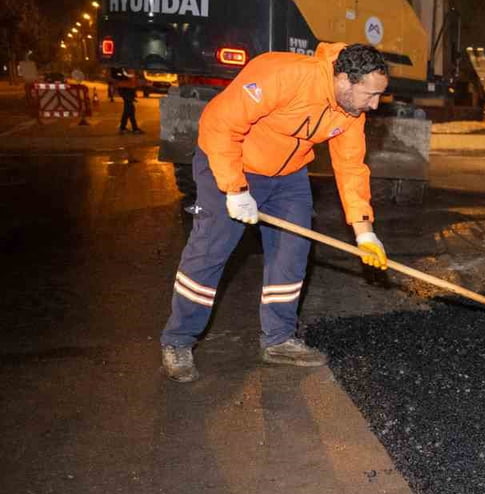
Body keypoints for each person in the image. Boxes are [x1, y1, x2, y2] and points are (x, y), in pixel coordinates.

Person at [158, 43, 391, 383]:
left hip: (288, 176)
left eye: (379, 95)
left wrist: (364, 232)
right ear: (344, 79)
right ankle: (178, 340)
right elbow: (220, 123)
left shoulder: (350, 112)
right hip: (229, 160)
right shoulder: (283, 74)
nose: (375, 104)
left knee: (292, 252)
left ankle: (279, 340)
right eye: (371, 94)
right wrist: (235, 189)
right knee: (210, 251)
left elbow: (351, 167)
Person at [112, 68, 142, 134]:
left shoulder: (127, 69)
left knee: (129, 110)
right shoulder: (127, 69)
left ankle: (126, 128)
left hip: (128, 90)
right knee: (129, 110)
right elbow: (130, 80)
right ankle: (133, 128)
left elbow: (132, 80)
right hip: (127, 90)